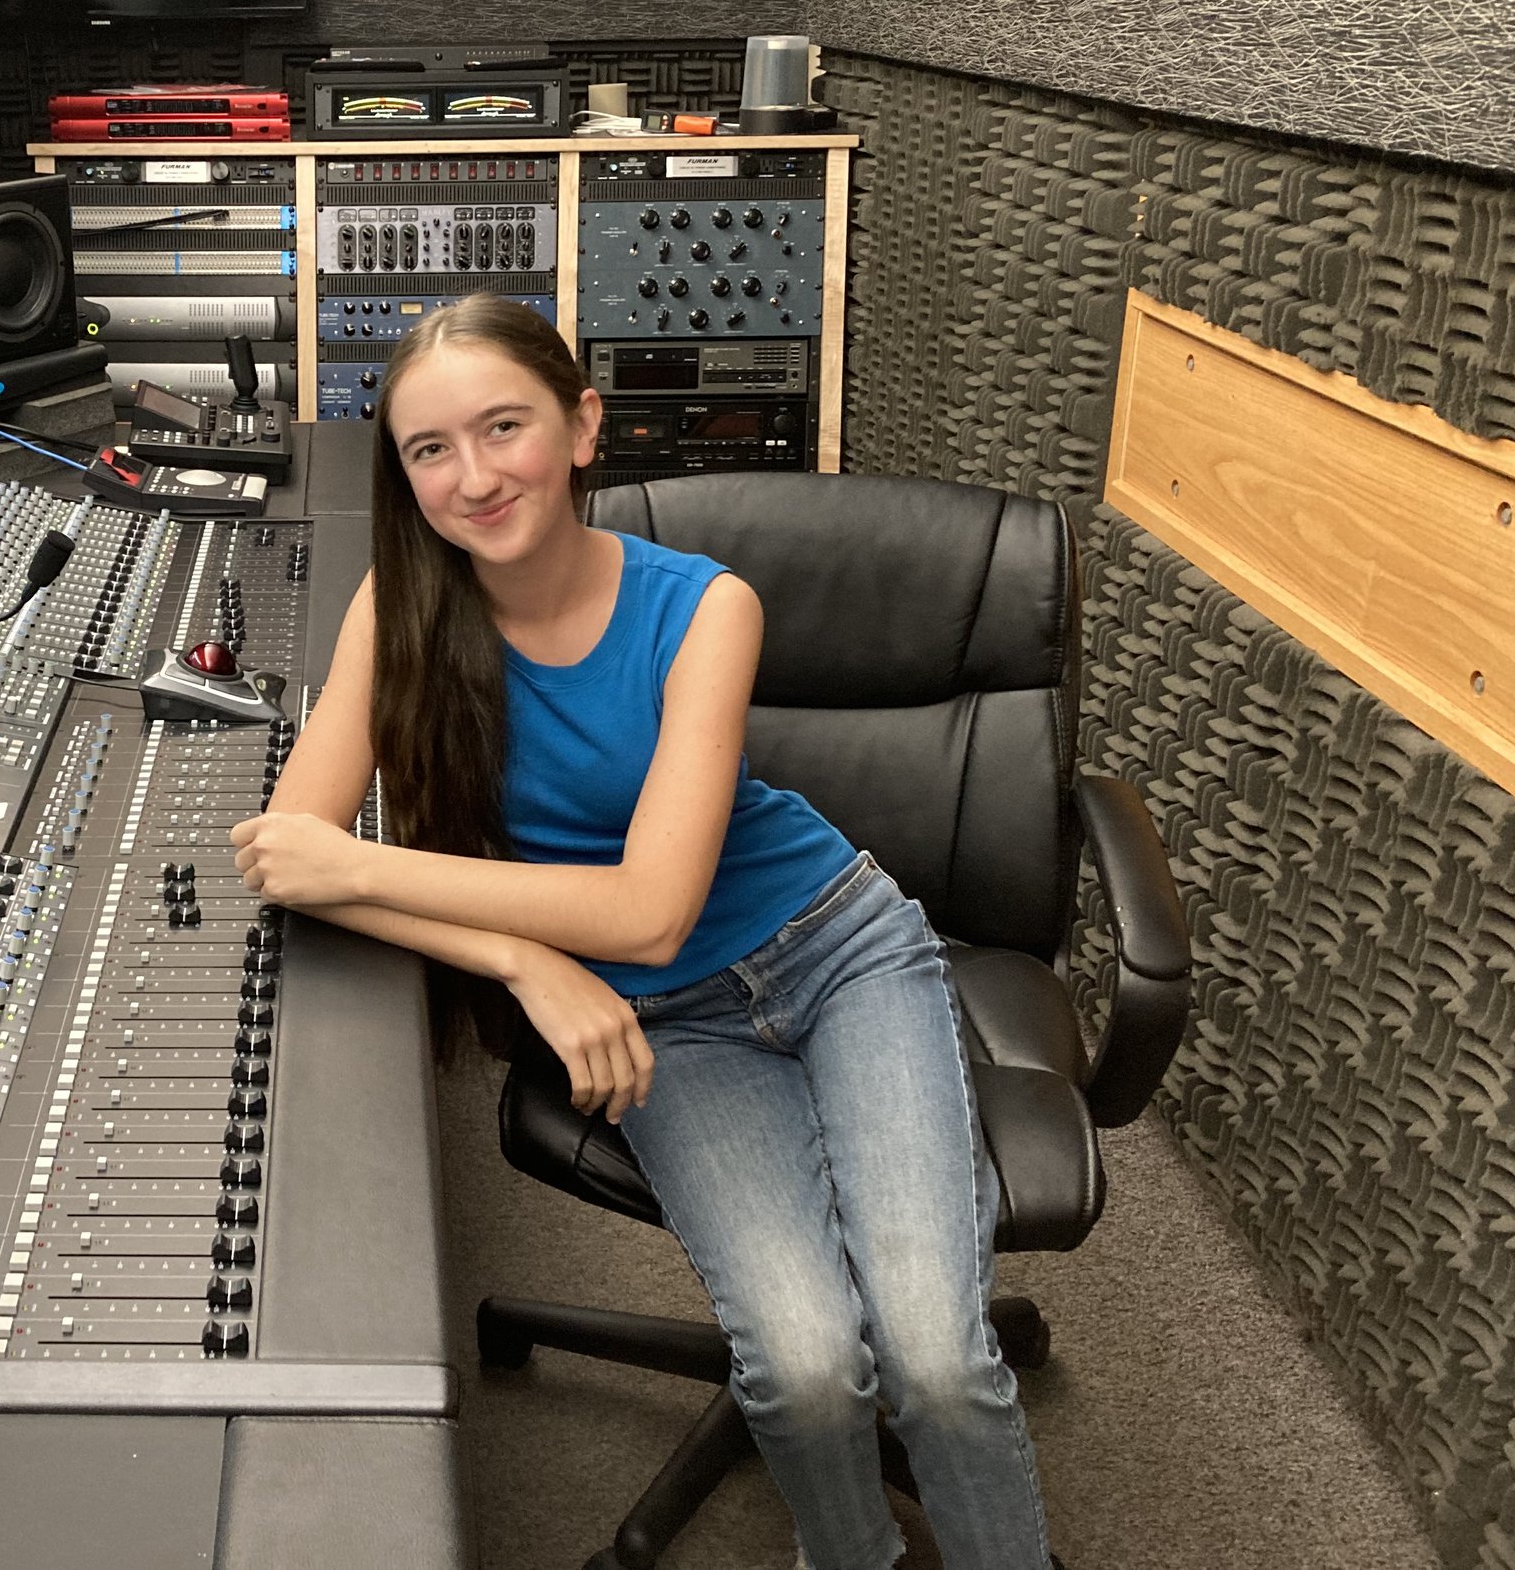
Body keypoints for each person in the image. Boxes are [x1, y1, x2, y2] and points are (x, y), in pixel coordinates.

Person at [229, 296, 1057, 1569]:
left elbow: (648, 910)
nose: (472, 476)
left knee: (935, 1357)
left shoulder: (706, 607)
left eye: (503, 427)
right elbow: (292, 858)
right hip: (661, 1021)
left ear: (580, 427)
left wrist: (371, 866)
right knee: (803, 1366)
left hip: (834, 951)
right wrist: (524, 961)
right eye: (429, 449)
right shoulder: (399, 613)